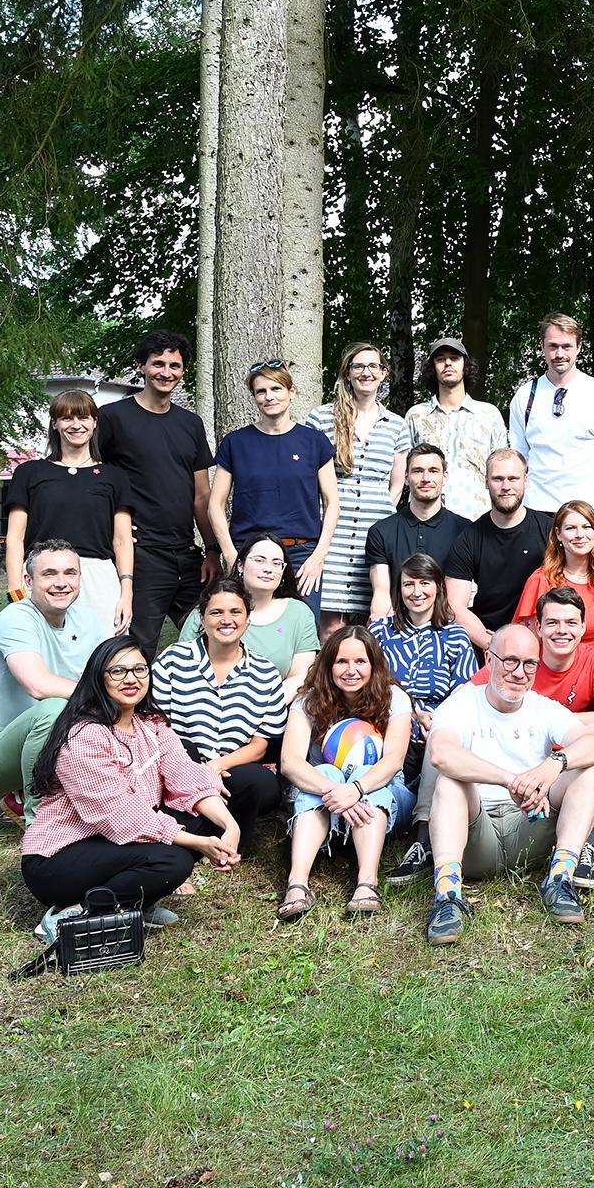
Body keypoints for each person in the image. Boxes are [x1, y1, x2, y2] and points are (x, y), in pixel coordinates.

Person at [20, 635, 240, 932]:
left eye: (139, 670)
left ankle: (134, 903)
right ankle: (73, 914)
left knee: (201, 817)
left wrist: (230, 826)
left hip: (108, 841)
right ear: (99, 678)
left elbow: (186, 776)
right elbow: (121, 815)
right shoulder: (85, 736)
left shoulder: (151, 724)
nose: (131, 679)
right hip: (59, 859)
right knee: (173, 860)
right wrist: (198, 844)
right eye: (118, 671)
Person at [423, 622, 594, 941]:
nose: (519, 673)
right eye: (510, 660)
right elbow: (442, 754)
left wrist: (553, 765)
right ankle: (447, 897)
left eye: (529, 664)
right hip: (474, 832)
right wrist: (510, 780)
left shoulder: (542, 708)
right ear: (489, 659)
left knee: (587, 767)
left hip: (530, 827)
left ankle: (560, 879)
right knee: (450, 781)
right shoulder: (461, 704)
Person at [452, 585, 594, 892]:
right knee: (443, 736)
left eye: (571, 623)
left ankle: (587, 840)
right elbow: (467, 695)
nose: (562, 631)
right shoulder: (522, 660)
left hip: (564, 759)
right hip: (524, 763)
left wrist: (551, 720)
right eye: (553, 623)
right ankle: (427, 835)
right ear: (538, 628)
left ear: (583, 627)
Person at [274, 626, 414, 919]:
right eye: (341, 662)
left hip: (382, 797)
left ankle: (367, 883)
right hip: (326, 801)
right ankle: (297, 883)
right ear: (329, 665)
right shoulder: (308, 700)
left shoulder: (395, 698)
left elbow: (392, 762)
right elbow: (290, 762)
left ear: (374, 664)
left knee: (367, 771)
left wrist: (356, 790)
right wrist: (336, 792)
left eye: (360, 662)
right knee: (324, 770)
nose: (351, 670)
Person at [98, 330, 218, 653]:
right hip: (141, 555)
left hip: (188, 556)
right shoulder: (113, 418)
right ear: (142, 366)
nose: (167, 372)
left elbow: (201, 495)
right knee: (137, 648)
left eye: (175, 366)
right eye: (158, 364)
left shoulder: (191, 424)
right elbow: (94, 481)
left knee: (213, 638)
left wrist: (211, 550)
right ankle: (134, 705)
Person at [0, 542, 105, 814]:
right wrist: (102, 695)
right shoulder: (15, 618)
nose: (61, 583)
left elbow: (116, 673)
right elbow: (37, 685)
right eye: (49, 574)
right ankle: (40, 819)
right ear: (28, 581)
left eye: (70, 573)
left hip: (62, 740)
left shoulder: (90, 620)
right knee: (54, 708)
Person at [150, 577, 287, 851]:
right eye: (216, 612)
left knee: (261, 783)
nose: (227, 620)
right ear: (202, 619)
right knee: (183, 752)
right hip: (179, 764)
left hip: (230, 770)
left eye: (236, 612)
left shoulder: (265, 673)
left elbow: (260, 745)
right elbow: (154, 726)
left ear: (248, 619)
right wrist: (194, 771)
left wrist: (216, 767)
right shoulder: (173, 660)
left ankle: (226, 831)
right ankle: (194, 830)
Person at [371, 553, 483, 884]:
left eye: (424, 584)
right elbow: (371, 682)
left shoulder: (455, 635)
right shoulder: (380, 633)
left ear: (438, 588)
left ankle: (422, 841)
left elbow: (465, 693)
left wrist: (436, 716)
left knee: (442, 737)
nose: (416, 592)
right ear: (398, 589)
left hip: (437, 722)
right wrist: (409, 708)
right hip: (388, 720)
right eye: (408, 584)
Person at [208, 361, 340, 622]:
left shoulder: (314, 442)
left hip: (302, 555)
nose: (269, 397)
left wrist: (319, 555)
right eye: (261, 391)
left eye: (276, 388)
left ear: (291, 392)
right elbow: (215, 504)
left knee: (303, 630)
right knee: (248, 626)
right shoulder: (236, 443)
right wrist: (231, 554)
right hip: (249, 552)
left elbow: (332, 501)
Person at [7, 390, 134, 638]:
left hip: (98, 578)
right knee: (43, 655)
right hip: (42, 576)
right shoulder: (29, 473)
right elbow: (14, 538)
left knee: (104, 658)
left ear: (94, 422)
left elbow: (122, 540)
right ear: (54, 424)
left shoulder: (114, 477)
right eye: (67, 418)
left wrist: (126, 592)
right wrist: (16, 590)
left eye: (84, 417)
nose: (76, 425)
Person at [302, 342, 412, 626]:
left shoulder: (397, 425)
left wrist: (380, 517)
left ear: (384, 373)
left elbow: (397, 484)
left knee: (371, 617)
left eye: (373, 366)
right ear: (348, 373)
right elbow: (309, 475)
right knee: (329, 622)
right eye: (359, 366)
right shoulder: (322, 417)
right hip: (332, 526)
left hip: (374, 526)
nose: (366, 372)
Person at [508, 312, 594, 524]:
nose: (559, 353)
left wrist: (588, 482)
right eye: (553, 346)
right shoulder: (525, 396)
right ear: (542, 346)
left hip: (589, 508)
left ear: (579, 347)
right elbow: (519, 458)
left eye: (566, 346)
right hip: (537, 508)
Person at [180, 533, 322, 701]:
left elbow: (300, 676)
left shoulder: (299, 613)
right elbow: (183, 667)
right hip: (207, 705)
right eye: (259, 560)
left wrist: (259, 709)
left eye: (277, 563)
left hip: (276, 707)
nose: (268, 568)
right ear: (240, 565)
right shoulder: (210, 610)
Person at [444, 448, 551, 653]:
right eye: (498, 479)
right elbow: (454, 605)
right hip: (488, 638)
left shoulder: (548, 531)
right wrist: (490, 643)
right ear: (486, 481)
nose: (506, 486)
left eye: (513, 478)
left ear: (525, 481)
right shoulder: (470, 537)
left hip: (541, 639)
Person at [510, 498, 594, 661]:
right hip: (557, 661)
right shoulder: (541, 579)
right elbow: (527, 637)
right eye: (571, 528)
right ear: (558, 534)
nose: (580, 535)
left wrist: (593, 653)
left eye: (587, 527)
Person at [404, 336, 511, 522]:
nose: (447, 363)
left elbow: (502, 471)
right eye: (440, 359)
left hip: (478, 518)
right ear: (432, 368)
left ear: (465, 365)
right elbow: (403, 472)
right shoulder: (416, 416)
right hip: (425, 519)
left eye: (454, 358)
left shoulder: (489, 415)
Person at [363, 443, 470, 620]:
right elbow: (381, 590)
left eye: (433, 471)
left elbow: (460, 602)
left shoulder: (465, 531)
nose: (426, 478)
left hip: (447, 625)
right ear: (406, 477)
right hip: (397, 625)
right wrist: (382, 623)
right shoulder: (381, 531)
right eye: (418, 471)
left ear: (445, 477)